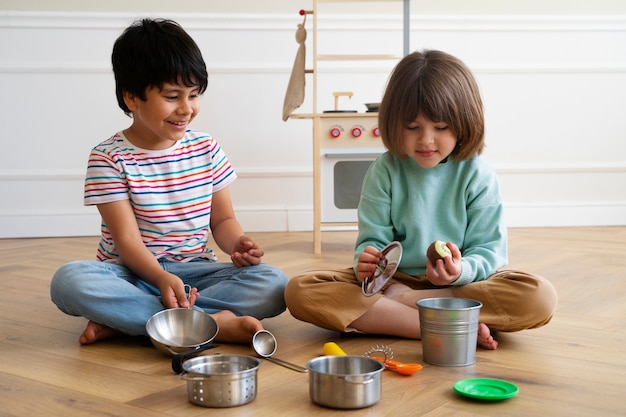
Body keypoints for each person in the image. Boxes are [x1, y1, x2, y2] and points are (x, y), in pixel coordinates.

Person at [285, 50, 558, 350]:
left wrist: (460, 270)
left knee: (539, 297)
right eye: (413, 127)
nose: (426, 140)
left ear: (464, 122)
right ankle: (446, 326)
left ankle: (406, 309)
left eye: (440, 128)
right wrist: (367, 263)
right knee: (299, 291)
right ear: (393, 123)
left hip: (459, 285)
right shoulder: (384, 171)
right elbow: (372, 242)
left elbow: (489, 252)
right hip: (392, 282)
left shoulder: (478, 174)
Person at [50, 18, 287, 345]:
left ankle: (134, 321)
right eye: (172, 96)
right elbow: (128, 241)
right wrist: (160, 278)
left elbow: (224, 220)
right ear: (132, 98)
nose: (186, 109)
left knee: (274, 283)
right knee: (68, 282)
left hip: (194, 274)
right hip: (131, 274)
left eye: (193, 95)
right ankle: (210, 324)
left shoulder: (206, 147)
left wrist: (237, 245)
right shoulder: (108, 158)